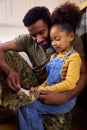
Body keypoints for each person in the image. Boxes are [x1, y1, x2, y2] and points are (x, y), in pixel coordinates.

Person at [0, 3, 86, 130]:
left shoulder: (69, 42)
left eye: (41, 32)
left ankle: (21, 105)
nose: (38, 39)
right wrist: (10, 72)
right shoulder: (27, 40)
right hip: (38, 86)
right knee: (9, 55)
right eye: (33, 35)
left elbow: (83, 74)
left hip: (60, 93)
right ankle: (18, 102)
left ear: (50, 23)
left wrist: (64, 97)